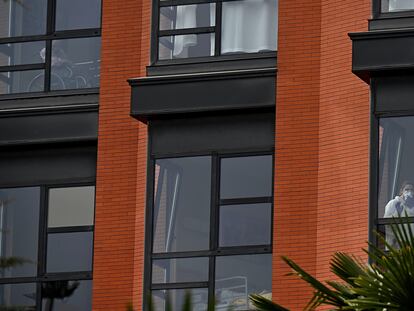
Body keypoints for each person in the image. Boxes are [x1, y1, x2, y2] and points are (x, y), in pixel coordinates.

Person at [384, 181, 414, 248]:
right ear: (401, 191)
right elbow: (386, 222)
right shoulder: (394, 203)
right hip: (398, 243)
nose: (409, 191)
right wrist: (398, 212)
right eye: (407, 189)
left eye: (411, 190)